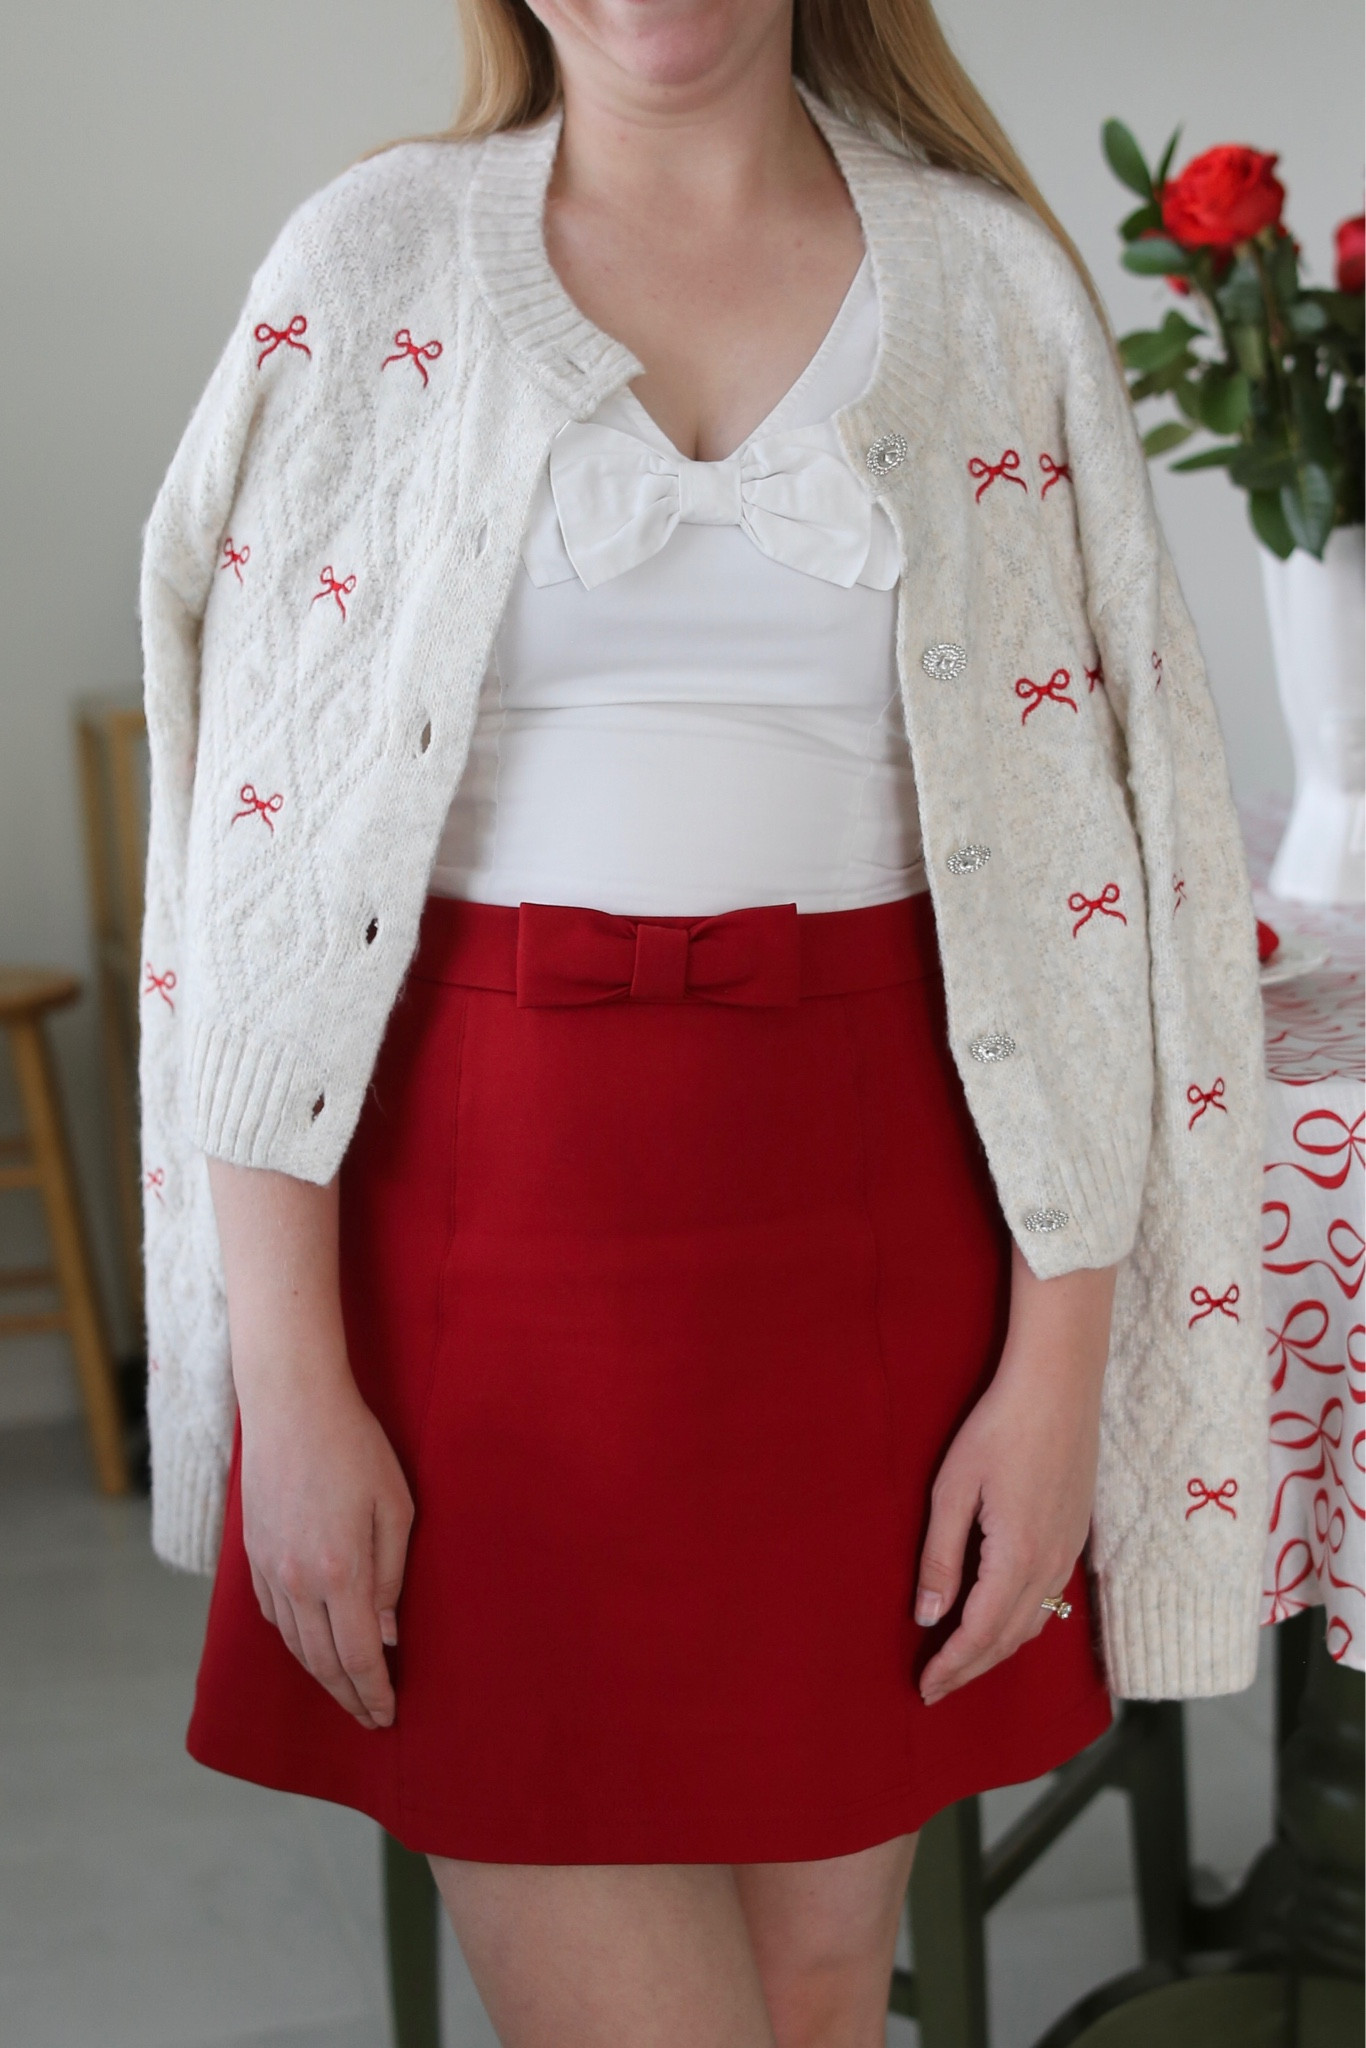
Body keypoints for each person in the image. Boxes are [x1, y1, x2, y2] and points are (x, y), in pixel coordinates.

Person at [138, 1, 1267, 2040]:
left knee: (825, 1985)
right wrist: (292, 1391)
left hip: (880, 1246)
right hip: (472, 1255)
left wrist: (1053, 1364)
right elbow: (264, 877)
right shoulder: (371, 265)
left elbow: (1105, 866)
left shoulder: (988, 284)